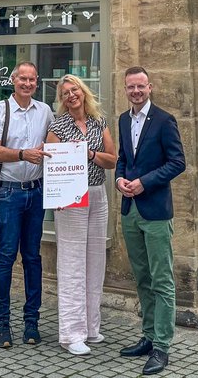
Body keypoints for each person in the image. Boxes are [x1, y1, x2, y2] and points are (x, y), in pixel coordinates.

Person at [115, 66, 186, 376]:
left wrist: (144, 182)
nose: (136, 91)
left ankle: (162, 346)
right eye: (131, 87)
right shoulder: (122, 119)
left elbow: (178, 163)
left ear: (150, 87)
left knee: (162, 280)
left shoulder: (164, 120)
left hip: (155, 211)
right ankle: (147, 336)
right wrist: (119, 179)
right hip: (130, 210)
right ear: (126, 89)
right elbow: (122, 158)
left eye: (140, 86)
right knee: (142, 278)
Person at [0, 61, 52, 349]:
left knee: (33, 258)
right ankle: (2, 324)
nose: (27, 83)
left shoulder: (45, 111)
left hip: (36, 194)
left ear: (37, 82)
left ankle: (32, 323)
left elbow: (56, 145)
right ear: (14, 81)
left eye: (32, 79)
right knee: (6, 257)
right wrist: (24, 154)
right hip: (9, 194)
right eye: (22, 78)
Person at [45, 74, 116, 355]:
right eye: (65, 93)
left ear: (84, 92)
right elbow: (50, 164)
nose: (71, 95)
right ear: (61, 99)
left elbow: (112, 159)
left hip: (97, 193)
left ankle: (91, 327)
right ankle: (71, 333)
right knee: (72, 262)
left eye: (74, 90)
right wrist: (56, 196)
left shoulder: (100, 122)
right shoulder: (58, 126)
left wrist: (90, 154)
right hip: (71, 197)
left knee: (95, 262)